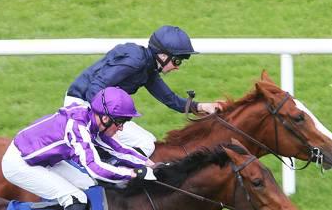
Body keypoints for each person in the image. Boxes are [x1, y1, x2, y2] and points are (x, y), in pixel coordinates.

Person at [2, 87, 154, 210]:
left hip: (45, 158)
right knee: (76, 198)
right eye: (120, 122)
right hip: (20, 163)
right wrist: (132, 174)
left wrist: (149, 164)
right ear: (105, 118)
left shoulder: (91, 120)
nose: (122, 128)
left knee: (89, 186)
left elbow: (117, 149)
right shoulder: (78, 128)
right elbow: (95, 168)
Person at [64, 25, 220, 156]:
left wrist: (202, 106)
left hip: (98, 108)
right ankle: (103, 171)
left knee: (148, 141)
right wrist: (109, 123)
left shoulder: (148, 68)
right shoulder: (135, 61)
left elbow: (170, 99)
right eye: (177, 61)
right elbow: (95, 89)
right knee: (144, 143)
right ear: (163, 56)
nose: (177, 67)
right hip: (83, 105)